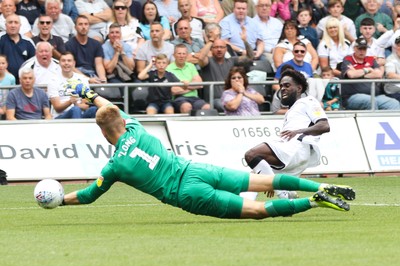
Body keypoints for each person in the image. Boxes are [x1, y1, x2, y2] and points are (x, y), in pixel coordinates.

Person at [58, 81, 355, 218]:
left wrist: (60, 200)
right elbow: (110, 110)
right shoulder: (135, 126)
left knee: (256, 209)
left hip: (186, 193)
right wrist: (90, 93)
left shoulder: (114, 167)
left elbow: (88, 195)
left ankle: (316, 202)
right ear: (122, 120)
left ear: (102, 133)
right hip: (195, 169)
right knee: (264, 181)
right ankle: (322, 185)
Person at [243, 69, 330, 200]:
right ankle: (247, 206)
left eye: (287, 85)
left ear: (299, 88)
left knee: (251, 155)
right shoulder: (291, 110)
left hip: (297, 148)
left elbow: (324, 125)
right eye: (281, 86)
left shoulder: (308, 101)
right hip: (292, 151)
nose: (283, 89)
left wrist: (298, 131)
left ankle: (281, 193)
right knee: (254, 176)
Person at [197, 27, 253, 111]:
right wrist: (211, 40)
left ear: (226, 49)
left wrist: (245, 41)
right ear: (211, 49)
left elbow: (250, 57)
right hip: (214, 100)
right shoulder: (207, 62)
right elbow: (201, 58)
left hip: (232, 97)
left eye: (221, 47)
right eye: (216, 47)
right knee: (224, 105)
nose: (219, 49)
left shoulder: (232, 61)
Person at [341, 37, 400, 110]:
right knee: (371, 101)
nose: (362, 51)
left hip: (376, 95)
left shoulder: (370, 59)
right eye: (360, 48)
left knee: (394, 104)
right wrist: (368, 69)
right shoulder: (348, 59)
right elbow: (351, 74)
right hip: (353, 96)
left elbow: (378, 74)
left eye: (364, 49)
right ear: (354, 48)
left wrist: (358, 73)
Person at [48, 52, 97, 119]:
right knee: (75, 110)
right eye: (63, 61)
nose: (66, 63)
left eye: (69, 61)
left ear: (74, 63)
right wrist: (70, 102)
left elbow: (86, 106)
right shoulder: (53, 81)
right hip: (60, 117)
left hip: (79, 114)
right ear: (59, 63)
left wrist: (76, 104)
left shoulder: (82, 79)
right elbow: (57, 108)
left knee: (94, 109)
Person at [166, 44, 209, 113]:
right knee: (186, 107)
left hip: (194, 98)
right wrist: (192, 86)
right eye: (179, 53)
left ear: (187, 55)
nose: (181, 56)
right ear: (174, 55)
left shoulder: (191, 66)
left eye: (184, 54)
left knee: (207, 107)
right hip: (179, 99)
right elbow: (174, 90)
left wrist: (184, 86)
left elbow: (200, 84)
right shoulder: (169, 69)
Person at [65, 15, 107, 84]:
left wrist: (102, 78)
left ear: (89, 27)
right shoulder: (68, 45)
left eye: (86, 24)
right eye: (80, 24)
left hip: (93, 74)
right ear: (75, 27)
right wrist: (87, 79)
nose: (83, 27)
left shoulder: (96, 44)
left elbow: (99, 64)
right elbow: (71, 67)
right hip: (76, 77)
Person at [0, 14, 36, 83]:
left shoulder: (28, 42)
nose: (13, 25)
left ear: (20, 25)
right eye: (10, 22)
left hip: (24, 82)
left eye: (16, 22)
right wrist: (9, 77)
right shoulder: (1, 39)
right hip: (4, 81)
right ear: (5, 25)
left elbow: (33, 62)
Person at [253, 0, 283, 67]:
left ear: (270, 7)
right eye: (261, 6)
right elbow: (254, 43)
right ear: (256, 8)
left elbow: (284, 38)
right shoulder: (251, 23)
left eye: (267, 5)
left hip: (281, 51)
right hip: (264, 53)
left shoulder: (277, 23)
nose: (264, 8)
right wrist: (271, 50)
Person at [384, 35, 400, 100]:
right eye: (398, 45)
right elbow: (390, 75)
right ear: (395, 47)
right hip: (394, 91)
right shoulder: (391, 59)